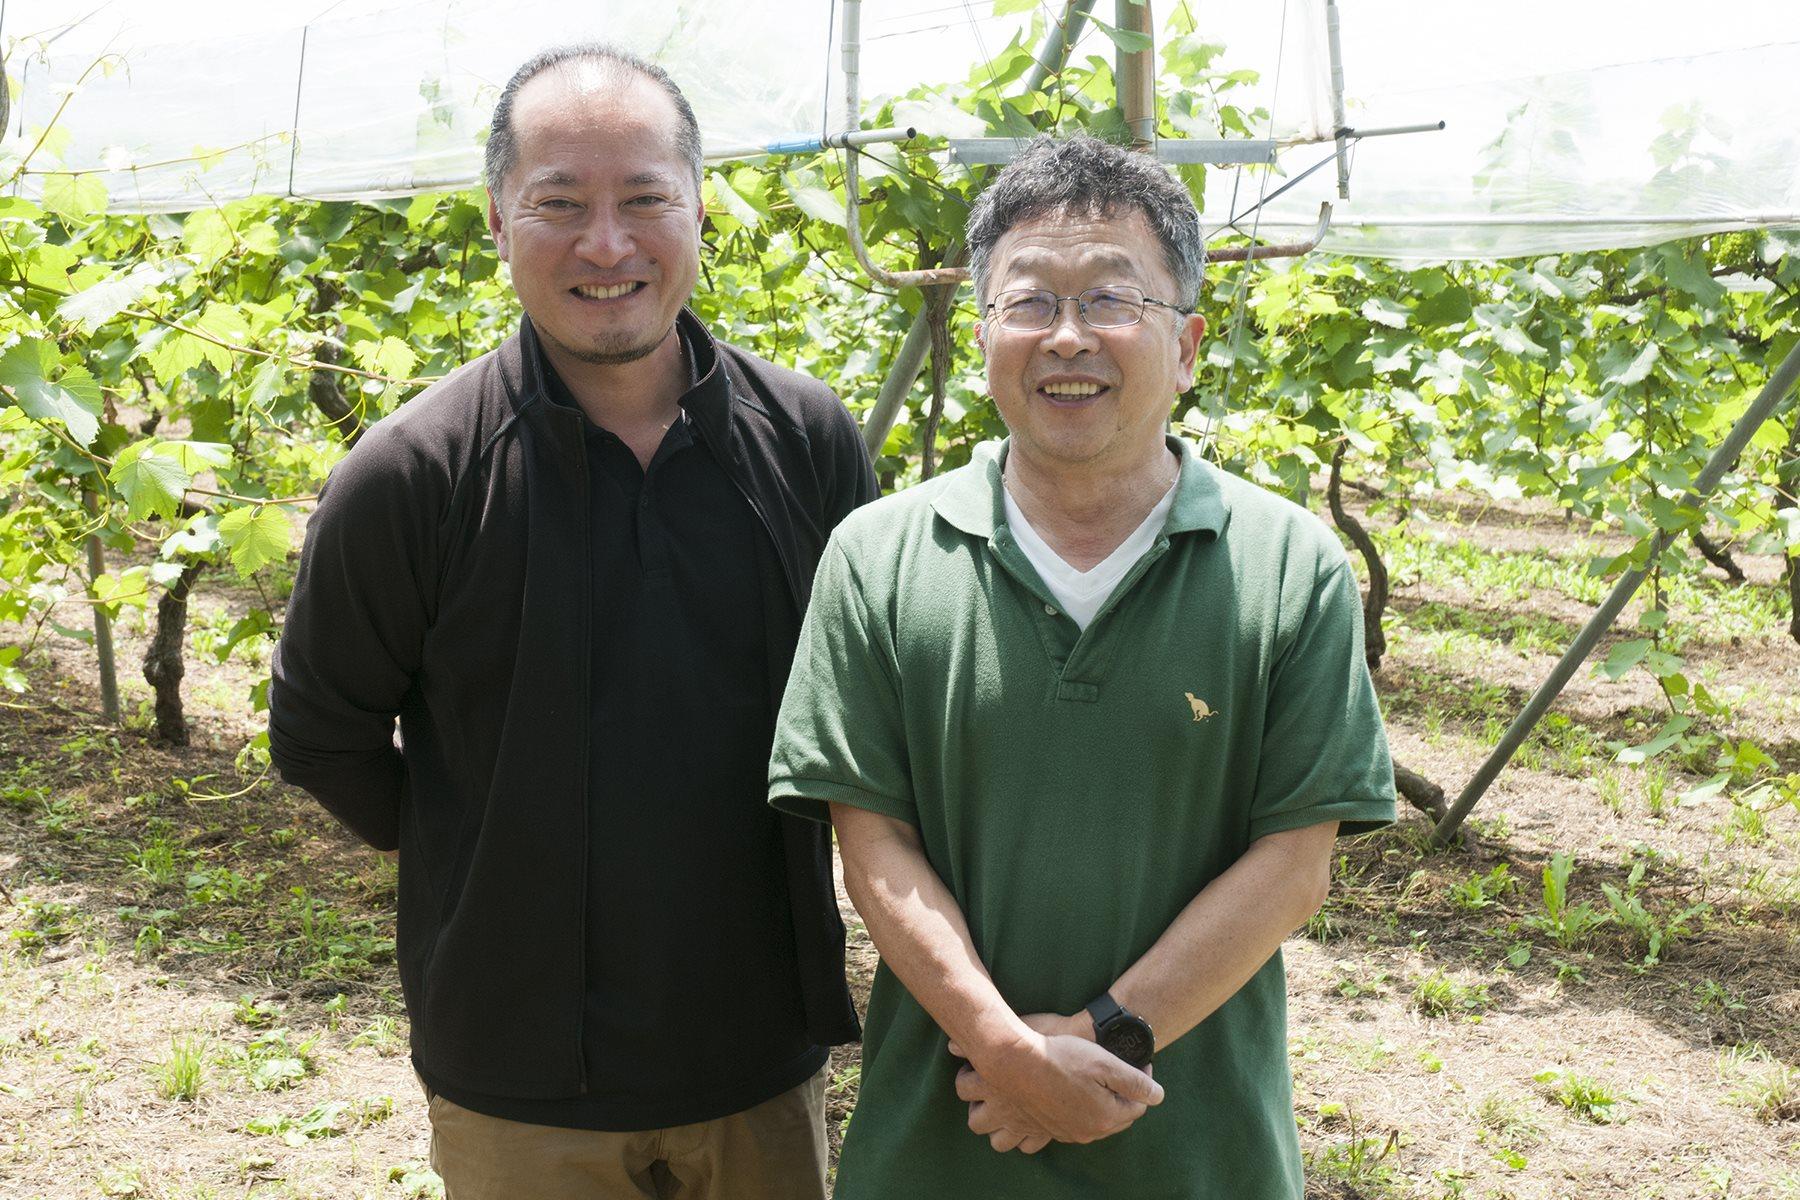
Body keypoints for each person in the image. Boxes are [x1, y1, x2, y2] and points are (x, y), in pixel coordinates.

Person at [268, 44, 874, 1200]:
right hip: (515, 1074)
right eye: (560, 204)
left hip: (756, 1055)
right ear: (499, 219)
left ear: (701, 207)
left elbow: (870, 704)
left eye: (646, 198)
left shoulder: (807, 441)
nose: (608, 244)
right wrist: (483, 845)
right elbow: (319, 734)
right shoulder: (414, 473)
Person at [769, 134, 1396, 1199]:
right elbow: (872, 849)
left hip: (1200, 1156)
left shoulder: (1286, 566)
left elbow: (1294, 867)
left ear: (1188, 345)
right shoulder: (878, 560)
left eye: (1112, 300)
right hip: (939, 1150)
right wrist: (1008, 1054)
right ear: (981, 336)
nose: (1067, 338)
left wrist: (1107, 1039)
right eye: (1029, 303)